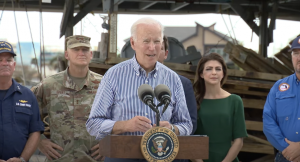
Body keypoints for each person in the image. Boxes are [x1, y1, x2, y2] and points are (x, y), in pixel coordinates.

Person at [86, 17, 192, 162]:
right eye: (146, 41)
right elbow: (93, 124)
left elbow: (186, 125)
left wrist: (173, 129)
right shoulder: (114, 75)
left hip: (162, 156)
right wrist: (125, 125)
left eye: (157, 41)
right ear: (133, 43)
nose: (152, 47)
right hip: (122, 156)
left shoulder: (173, 79)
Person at [33, 35, 103, 162]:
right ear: (66, 54)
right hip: (60, 158)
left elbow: (120, 117)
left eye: (85, 50)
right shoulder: (49, 85)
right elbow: (26, 115)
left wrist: (109, 143)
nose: (81, 53)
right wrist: (40, 141)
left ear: (91, 54)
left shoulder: (104, 85)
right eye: (76, 49)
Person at [192, 53, 247, 162]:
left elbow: (239, 140)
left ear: (223, 73)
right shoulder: (193, 102)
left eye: (218, 69)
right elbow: (189, 139)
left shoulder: (235, 101)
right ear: (201, 74)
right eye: (208, 69)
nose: (214, 73)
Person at [0, 41, 44, 162]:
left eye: (8, 60)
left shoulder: (28, 95)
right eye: (0, 60)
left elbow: (35, 131)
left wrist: (22, 159)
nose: (5, 64)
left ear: (14, 65)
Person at [263, 35, 300, 162]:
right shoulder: (279, 87)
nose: (299, 58)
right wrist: (288, 150)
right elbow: (268, 121)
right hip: (285, 157)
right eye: (295, 53)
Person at [158, 35, 197, 134]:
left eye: (159, 48)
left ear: (166, 54)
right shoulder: (126, 81)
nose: (153, 50)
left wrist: (172, 129)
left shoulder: (182, 83)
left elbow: (191, 123)